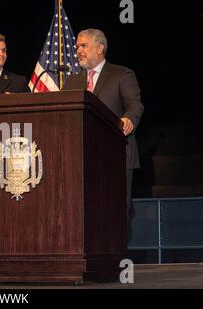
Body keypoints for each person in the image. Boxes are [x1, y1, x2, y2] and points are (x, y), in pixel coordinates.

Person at [63, 28, 144, 238]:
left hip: (116, 155)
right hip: (82, 159)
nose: (78, 50)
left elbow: (135, 105)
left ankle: (117, 259)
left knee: (115, 209)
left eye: (83, 45)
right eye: (77, 46)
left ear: (99, 48)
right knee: (86, 210)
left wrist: (129, 120)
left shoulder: (121, 74)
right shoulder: (72, 82)